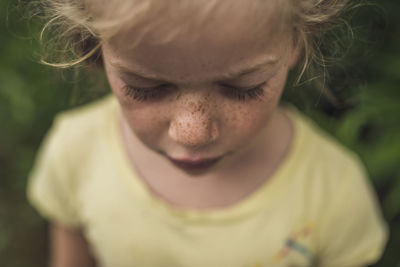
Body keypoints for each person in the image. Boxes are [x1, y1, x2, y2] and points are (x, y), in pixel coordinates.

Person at [27, 0, 388, 266]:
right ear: (94, 47)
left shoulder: (334, 192)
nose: (193, 133)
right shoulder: (76, 152)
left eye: (243, 87)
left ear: (295, 42)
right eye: (145, 87)